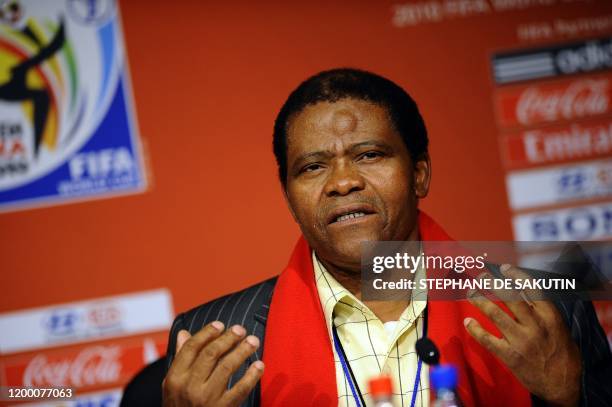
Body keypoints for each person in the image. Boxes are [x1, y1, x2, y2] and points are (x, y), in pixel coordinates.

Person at [161, 69, 612, 406]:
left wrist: (569, 398)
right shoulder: (211, 342)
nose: (342, 182)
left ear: (420, 173)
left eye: (369, 154)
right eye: (313, 167)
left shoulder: (548, 306)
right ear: (287, 194)